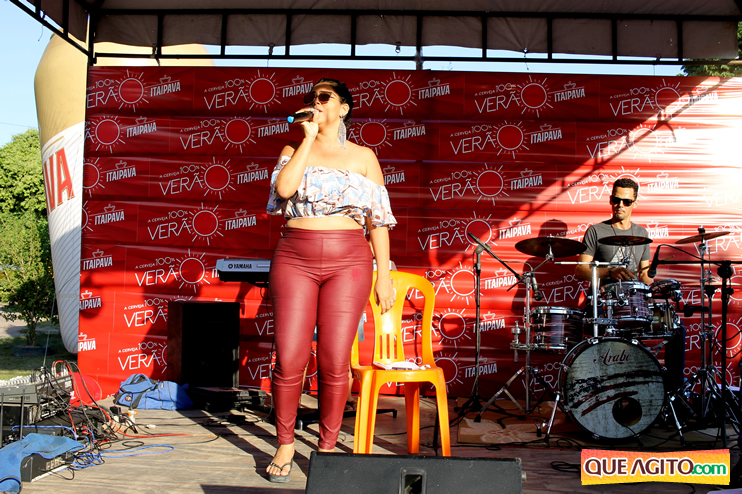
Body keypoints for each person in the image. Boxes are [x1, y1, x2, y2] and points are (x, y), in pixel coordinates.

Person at [265, 78, 397, 482]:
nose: (316, 102)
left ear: (343, 108)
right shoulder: (292, 150)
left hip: (349, 260)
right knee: (290, 357)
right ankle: (285, 442)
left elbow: (377, 221)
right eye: (311, 98)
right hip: (295, 256)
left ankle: (326, 448)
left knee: (335, 360)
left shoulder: (364, 157)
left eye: (324, 97)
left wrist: (384, 274)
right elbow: (284, 190)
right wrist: (306, 139)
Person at [575, 177, 684, 391]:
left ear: (635, 202)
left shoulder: (641, 234)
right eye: (616, 200)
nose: (620, 205)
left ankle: (673, 393)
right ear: (610, 200)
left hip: (635, 305)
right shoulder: (596, 231)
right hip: (605, 305)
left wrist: (654, 281)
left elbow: (645, 278)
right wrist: (610, 272)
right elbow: (580, 270)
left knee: (677, 328)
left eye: (626, 201)